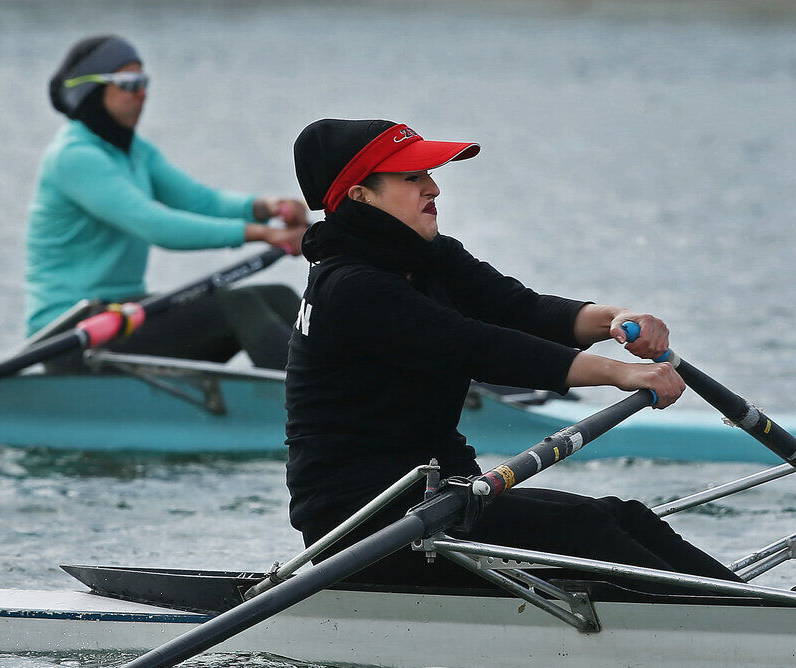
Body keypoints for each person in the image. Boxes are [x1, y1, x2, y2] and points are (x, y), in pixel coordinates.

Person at [285, 118, 743, 590]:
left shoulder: (429, 257)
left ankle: (768, 611)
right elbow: (480, 347)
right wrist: (621, 374)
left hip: (443, 494)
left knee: (625, 517)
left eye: (429, 175)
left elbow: (521, 309)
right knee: (585, 528)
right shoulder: (350, 287)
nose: (434, 188)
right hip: (363, 525)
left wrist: (617, 318)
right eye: (412, 178)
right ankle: (746, 624)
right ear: (361, 196)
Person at [26, 35, 308, 372]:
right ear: (90, 90)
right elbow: (156, 225)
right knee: (239, 304)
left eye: (144, 82)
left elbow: (200, 200)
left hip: (123, 313)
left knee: (277, 295)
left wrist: (267, 207)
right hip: (69, 335)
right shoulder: (74, 158)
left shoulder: (135, 153)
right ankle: (306, 411)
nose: (143, 93)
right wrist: (266, 235)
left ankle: (350, 392)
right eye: (129, 84)